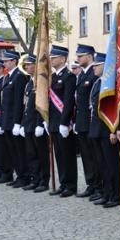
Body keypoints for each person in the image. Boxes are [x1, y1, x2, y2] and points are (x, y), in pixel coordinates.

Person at [88, 52, 120, 208]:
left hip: (107, 130)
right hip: (96, 130)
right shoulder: (97, 82)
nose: (94, 68)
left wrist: (114, 130)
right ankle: (107, 193)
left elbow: (115, 108)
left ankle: (115, 195)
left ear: (105, 66)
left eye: (97, 65)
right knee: (102, 165)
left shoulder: (111, 84)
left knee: (111, 165)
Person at [48, 45, 78, 197]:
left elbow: (68, 102)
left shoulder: (69, 76)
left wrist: (65, 123)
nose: (51, 60)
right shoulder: (53, 77)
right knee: (59, 155)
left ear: (62, 59)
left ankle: (71, 186)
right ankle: (63, 183)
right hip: (54, 122)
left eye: (54, 57)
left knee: (67, 155)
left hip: (63, 123)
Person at [73, 44, 102, 199]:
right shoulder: (82, 74)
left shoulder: (94, 73)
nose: (78, 59)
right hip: (82, 122)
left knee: (95, 156)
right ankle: (91, 184)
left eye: (80, 56)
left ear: (89, 56)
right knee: (86, 156)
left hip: (91, 122)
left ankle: (99, 186)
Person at [0, 50, 30, 188]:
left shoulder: (19, 77)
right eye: (4, 61)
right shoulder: (7, 77)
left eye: (7, 61)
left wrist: (18, 123)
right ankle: (18, 175)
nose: (4, 63)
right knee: (12, 151)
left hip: (14, 121)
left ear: (14, 61)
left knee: (19, 151)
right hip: (7, 120)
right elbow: (3, 103)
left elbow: (19, 103)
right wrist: (1, 122)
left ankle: (24, 176)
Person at [21, 55, 50, 192]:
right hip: (28, 123)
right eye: (26, 65)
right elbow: (26, 105)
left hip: (37, 124)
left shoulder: (41, 82)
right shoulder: (29, 83)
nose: (27, 67)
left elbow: (42, 105)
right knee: (31, 154)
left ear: (36, 65)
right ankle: (35, 179)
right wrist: (23, 124)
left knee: (41, 154)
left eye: (29, 64)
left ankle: (44, 181)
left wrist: (40, 123)